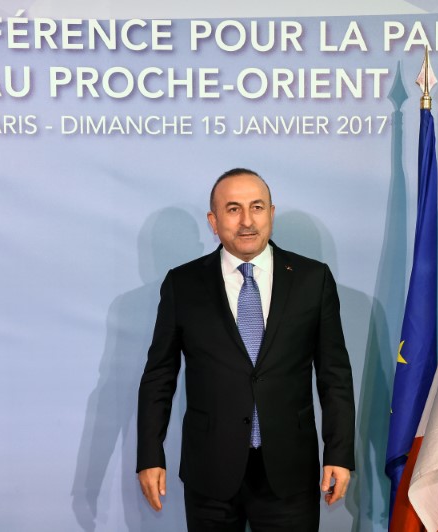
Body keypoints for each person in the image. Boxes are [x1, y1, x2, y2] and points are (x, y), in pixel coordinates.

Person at [137, 168, 355, 531]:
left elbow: (335, 376)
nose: (247, 221)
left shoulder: (312, 279)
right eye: (233, 209)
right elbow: (159, 376)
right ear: (214, 219)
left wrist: (339, 453)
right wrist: (149, 455)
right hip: (210, 470)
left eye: (256, 207)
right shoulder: (183, 284)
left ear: (271, 212)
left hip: (290, 471)